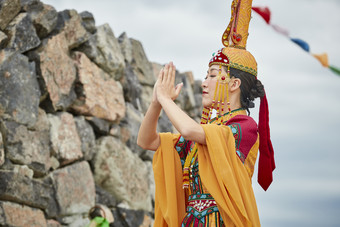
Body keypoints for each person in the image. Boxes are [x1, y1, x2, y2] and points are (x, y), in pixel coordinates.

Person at [137, 0, 275, 226]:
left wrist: (165, 98)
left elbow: (190, 130)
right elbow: (146, 140)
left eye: (212, 75)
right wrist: (156, 103)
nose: (204, 82)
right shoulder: (205, 135)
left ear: (233, 84)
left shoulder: (244, 127)